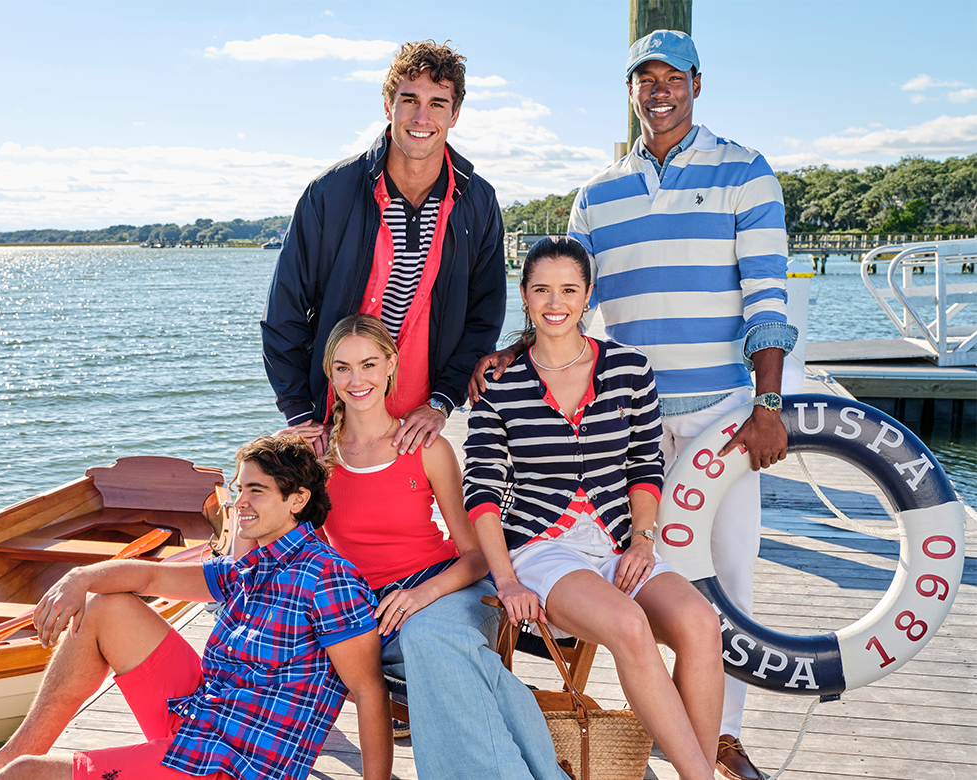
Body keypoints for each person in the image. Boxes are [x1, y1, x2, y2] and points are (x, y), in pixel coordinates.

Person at [471, 31, 796, 780]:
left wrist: (769, 401)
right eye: (645, 78)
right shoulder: (596, 195)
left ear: (696, 83)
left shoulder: (746, 171)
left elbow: (768, 296)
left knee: (729, 581)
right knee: (639, 585)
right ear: (629, 90)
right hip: (627, 418)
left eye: (672, 76)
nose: (660, 89)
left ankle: (721, 740)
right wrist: (512, 356)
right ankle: (663, 735)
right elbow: (566, 301)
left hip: (720, 415)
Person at [0, 434, 392, 780]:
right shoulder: (253, 565)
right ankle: (7, 753)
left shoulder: (328, 578)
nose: (239, 503)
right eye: (238, 489)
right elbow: (150, 578)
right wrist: (79, 578)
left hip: (234, 765)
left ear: (298, 499)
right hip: (202, 719)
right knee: (104, 608)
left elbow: (370, 691)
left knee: (27, 777)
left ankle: (13, 765)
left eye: (256, 491)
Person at [465, 237, 724, 780]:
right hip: (541, 548)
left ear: (588, 296)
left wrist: (642, 540)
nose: (554, 302)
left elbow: (645, 465)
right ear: (524, 295)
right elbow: (482, 490)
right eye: (541, 290)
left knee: (701, 624)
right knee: (629, 624)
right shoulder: (500, 384)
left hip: (618, 542)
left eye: (568, 290)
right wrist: (506, 579)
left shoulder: (630, 369)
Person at [281, 312, 571, 780]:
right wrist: (277, 461)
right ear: (329, 374)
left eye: (369, 365)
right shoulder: (318, 457)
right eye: (343, 368)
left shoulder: (425, 447)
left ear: (391, 365)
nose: (357, 380)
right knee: (461, 664)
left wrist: (422, 595)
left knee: (428, 635)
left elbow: (475, 555)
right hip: (370, 609)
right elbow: (284, 542)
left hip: (449, 590)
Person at [262, 39, 506, 459]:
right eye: (409, 100)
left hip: (418, 420)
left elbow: (484, 316)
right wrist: (300, 411)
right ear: (388, 106)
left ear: (455, 114)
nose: (422, 117)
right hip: (335, 413)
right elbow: (285, 309)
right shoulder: (331, 193)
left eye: (437, 103)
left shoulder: (477, 200)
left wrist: (442, 402)